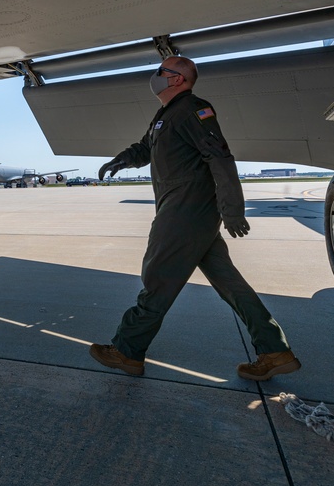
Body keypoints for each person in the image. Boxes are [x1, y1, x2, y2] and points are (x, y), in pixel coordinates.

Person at [89, 56, 300, 381]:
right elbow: (146, 147)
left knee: (158, 276)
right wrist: (123, 159)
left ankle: (127, 351)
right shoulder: (167, 115)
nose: (156, 76)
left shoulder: (194, 110)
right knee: (229, 283)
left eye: (162, 71)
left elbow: (220, 157)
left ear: (177, 80)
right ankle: (275, 350)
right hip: (188, 212)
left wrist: (232, 210)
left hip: (186, 210)